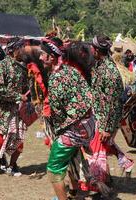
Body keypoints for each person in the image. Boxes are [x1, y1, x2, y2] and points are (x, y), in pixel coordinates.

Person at [44, 41, 96, 200]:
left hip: (74, 130)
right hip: (88, 125)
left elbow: (57, 112)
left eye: (42, 54)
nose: (40, 57)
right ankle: (74, 193)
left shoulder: (56, 77)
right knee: (72, 159)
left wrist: (57, 133)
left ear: (51, 57)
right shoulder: (72, 70)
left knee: (54, 168)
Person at [88, 35, 134, 189]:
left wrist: (106, 128)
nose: (90, 50)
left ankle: (101, 189)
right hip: (99, 116)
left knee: (98, 154)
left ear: (96, 50)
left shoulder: (108, 71)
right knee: (101, 151)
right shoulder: (99, 65)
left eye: (91, 48)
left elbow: (110, 103)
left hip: (104, 120)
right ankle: (107, 181)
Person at [0, 37, 29, 176]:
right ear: (14, 50)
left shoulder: (23, 67)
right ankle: (1, 157)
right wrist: (18, 96)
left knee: (19, 137)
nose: (24, 50)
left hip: (17, 109)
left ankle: (12, 165)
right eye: (21, 47)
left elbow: (25, 87)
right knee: (0, 138)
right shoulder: (1, 66)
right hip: (1, 109)